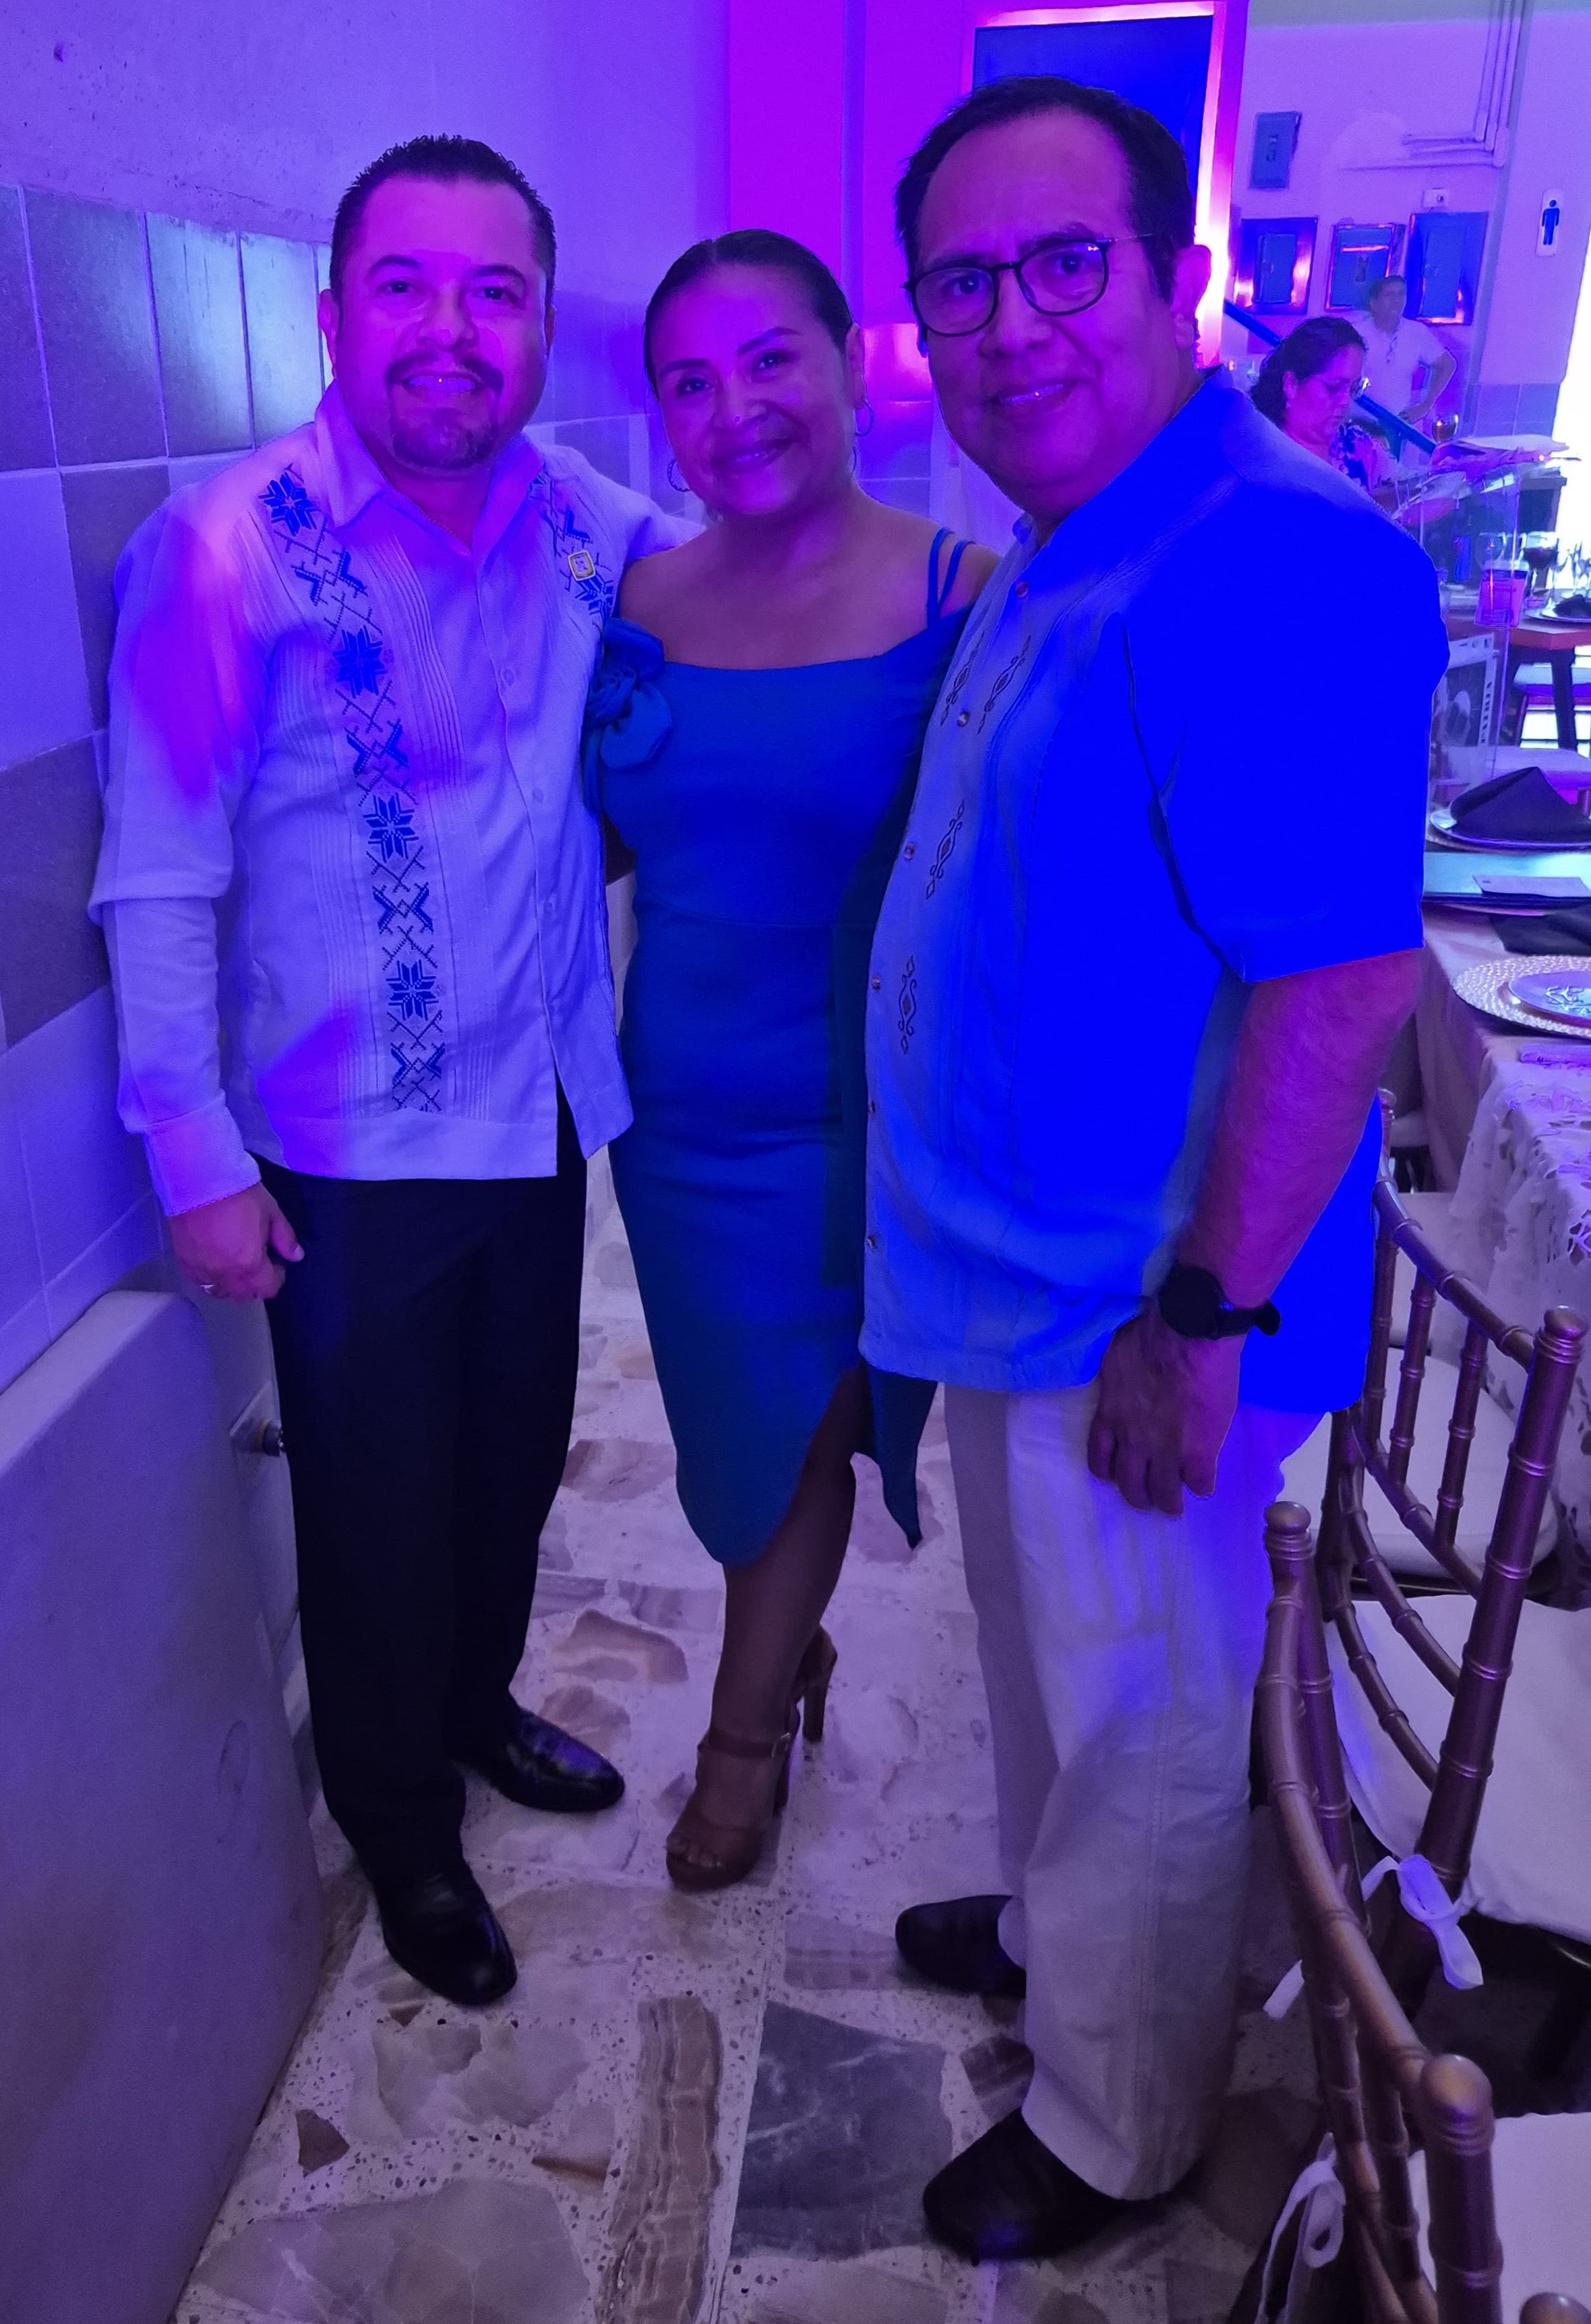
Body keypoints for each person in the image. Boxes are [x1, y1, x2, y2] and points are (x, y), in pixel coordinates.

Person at [864, 77, 1446, 2259]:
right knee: (1046, 1665)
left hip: (1150, 1292)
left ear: (1178, 280)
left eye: (1060, 264)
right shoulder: (1074, 529)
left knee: (1144, 1708)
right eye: (958, 283)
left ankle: (1113, 2121)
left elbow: (1338, 983)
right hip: (1028, 1267)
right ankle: (1057, 1941)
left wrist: (1197, 1313)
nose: (1007, 323)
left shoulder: (1269, 554)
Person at [92, 136, 689, 2009]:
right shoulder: (219, 549)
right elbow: (158, 875)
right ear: (331, 312)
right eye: (408, 286)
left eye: (496, 291)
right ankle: (399, 1815)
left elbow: (744, 604)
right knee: (372, 1503)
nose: (452, 328)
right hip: (342, 1147)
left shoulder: (589, 519)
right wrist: (193, 1152)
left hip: (541, 1107)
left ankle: (473, 1701)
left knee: (510, 1459)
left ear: (540, 324)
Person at [582, 231, 994, 1889]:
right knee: (729, 1433)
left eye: (768, 359)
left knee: (806, 1426)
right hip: (674, 1120)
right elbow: (614, 839)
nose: (732, 407)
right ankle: (788, 1640)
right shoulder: (638, 601)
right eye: (687, 381)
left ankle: (740, 1739)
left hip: (846, 1123)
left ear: (851, 366)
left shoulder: (957, 595)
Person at [1251, 315, 1391, 494]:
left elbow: (1410, 491)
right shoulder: (1260, 455)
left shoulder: (1358, 446)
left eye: (1354, 389)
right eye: (1334, 387)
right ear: (1291, 385)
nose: (1345, 401)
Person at [1353, 274, 1454, 438]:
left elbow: (1447, 364)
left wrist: (1426, 405)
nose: (1397, 300)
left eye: (1401, 294)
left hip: (1400, 429)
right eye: (1389, 295)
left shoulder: (1417, 332)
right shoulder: (1356, 334)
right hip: (1360, 427)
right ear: (1374, 303)